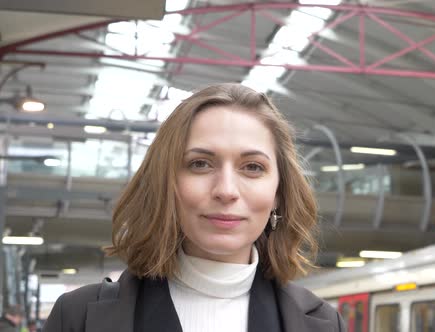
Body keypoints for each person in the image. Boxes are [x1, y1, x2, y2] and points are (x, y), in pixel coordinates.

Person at [43, 83, 345, 331]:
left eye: (252, 167)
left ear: (279, 191)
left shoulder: (323, 325)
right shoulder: (77, 318)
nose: (226, 190)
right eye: (199, 164)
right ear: (166, 182)